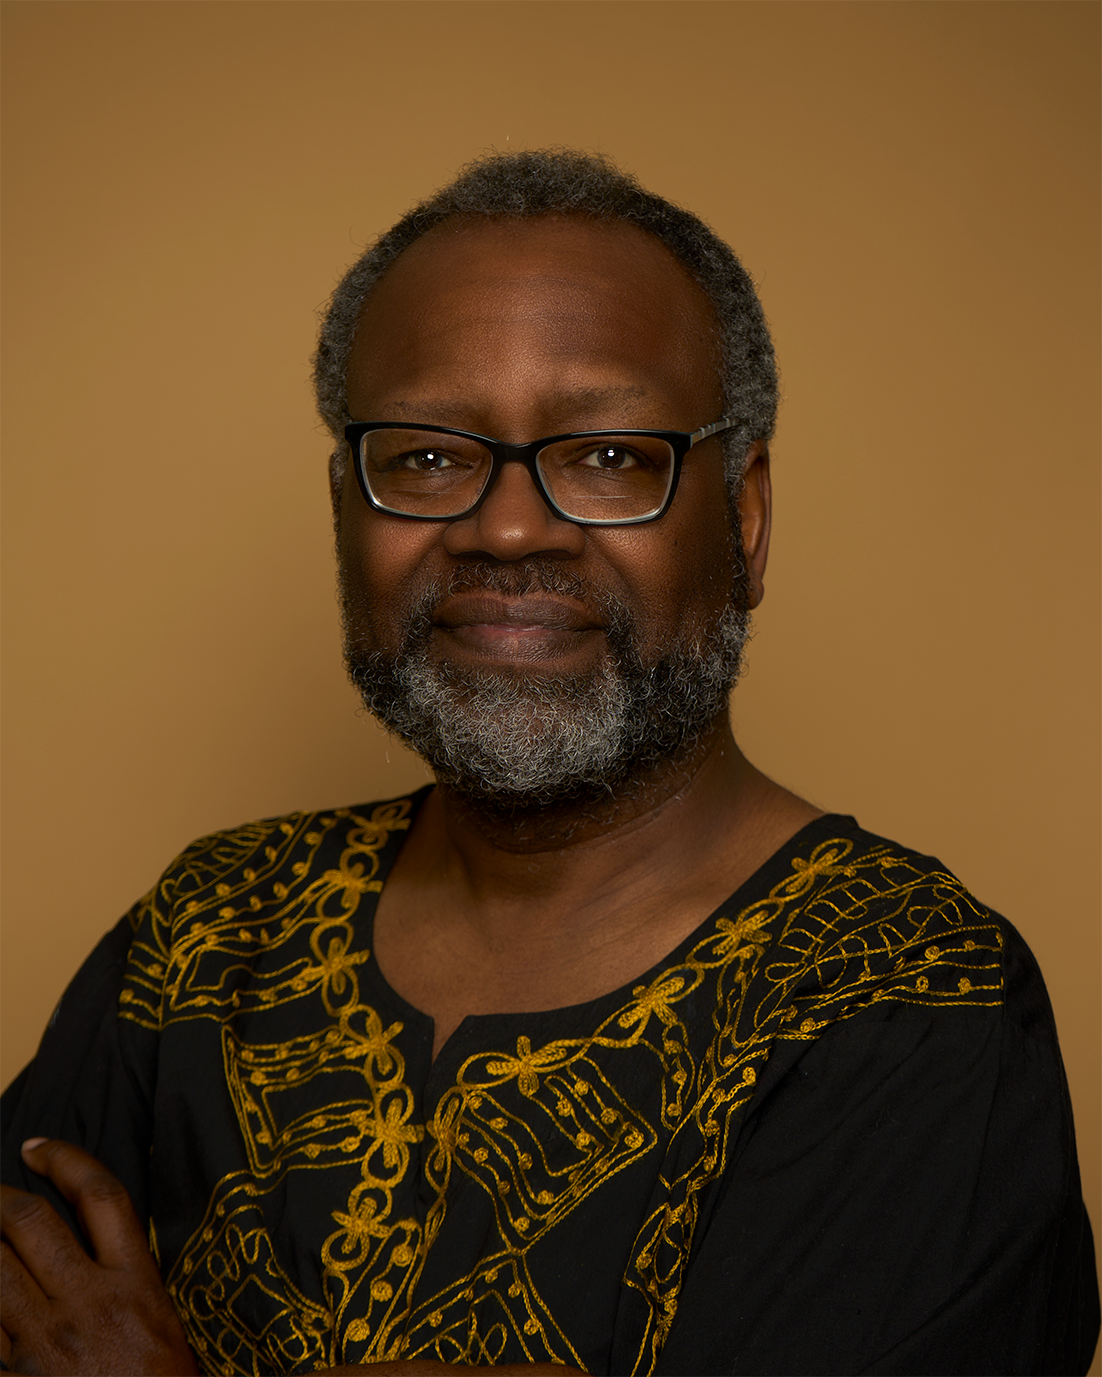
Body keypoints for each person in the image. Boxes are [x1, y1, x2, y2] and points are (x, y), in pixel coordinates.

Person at [0, 149, 1096, 1377]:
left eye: (609, 456)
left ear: (743, 518)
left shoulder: (906, 997)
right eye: (425, 457)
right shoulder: (204, 936)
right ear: (345, 510)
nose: (507, 527)